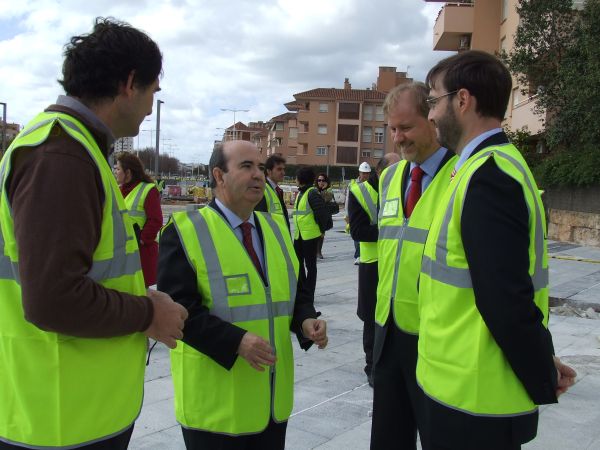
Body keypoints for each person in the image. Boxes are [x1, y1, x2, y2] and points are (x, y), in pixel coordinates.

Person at [0, 18, 187, 450]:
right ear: (129, 82)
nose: (148, 109)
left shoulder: (75, 148)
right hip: (59, 419)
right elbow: (53, 299)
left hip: (72, 411)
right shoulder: (60, 156)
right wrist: (148, 315)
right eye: (152, 94)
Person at [420, 50, 576, 450]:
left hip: (474, 402)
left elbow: (506, 298)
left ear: (462, 99)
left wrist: (541, 371)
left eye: (433, 100)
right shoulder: (483, 167)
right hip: (464, 390)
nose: (431, 115)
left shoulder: (488, 176)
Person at [157, 140, 328, 449]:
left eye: (261, 168)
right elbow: (179, 312)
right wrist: (236, 341)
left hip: (270, 403)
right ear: (219, 176)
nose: (258, 176)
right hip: (216, 410)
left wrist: (305, 320)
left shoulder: (275, 227)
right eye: (246, 167)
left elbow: (294, 292)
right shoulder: (184, 231)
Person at [369, 82, 457, 450]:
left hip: (435, 335)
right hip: (387, 331)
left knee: (439, 437)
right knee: (388, 438)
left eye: (405, 127)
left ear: (433, 120)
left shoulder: (460, 176)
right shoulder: (390, 177)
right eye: (391, 129)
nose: (397, 138)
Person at [348, 153, 400, 388]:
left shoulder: (401, 189)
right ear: (381, 172)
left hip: (398, 263)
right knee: (371, 318)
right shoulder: (360, 192)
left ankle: (393, 364)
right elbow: (358, 232)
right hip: (373, 264)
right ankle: (372, 366)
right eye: (396, 168)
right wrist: (391, 231)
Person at [114, 152, 163, 287]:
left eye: (118, 169)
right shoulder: (118, 190)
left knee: (141, 293)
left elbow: (156, 220)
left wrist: (141, 239)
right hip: (122, 251)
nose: (115, 172)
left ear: (128, 172)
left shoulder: (148, 190)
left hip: (141, 253)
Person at [293, 167, 330, 303]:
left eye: (296, 178)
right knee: (298, 265)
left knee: (310, 266)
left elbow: (321, 214)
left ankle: (309, 294)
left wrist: (321, 231)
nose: (295, 180)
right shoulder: (301, 193)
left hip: (309, 236)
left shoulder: (312, 193)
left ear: (301, 179)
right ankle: (302, 290)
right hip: (299, 236)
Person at [255, 153, 290, 229]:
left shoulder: (277, 190)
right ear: (269, 171)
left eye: (283, 169)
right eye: (279, 169)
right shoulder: (262, 190)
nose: (283, 173)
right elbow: (260, 221)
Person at [314, 172, 334, 259]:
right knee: (314, 233)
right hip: (315, 215)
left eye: (323, 180)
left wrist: (324, 189)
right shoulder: (314, 190)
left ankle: (319, 252)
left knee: (322, 233)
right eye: (319, 180)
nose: (321, 182)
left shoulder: (329, 190)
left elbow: (326, 198)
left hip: (324, 215)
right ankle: (314, 251)